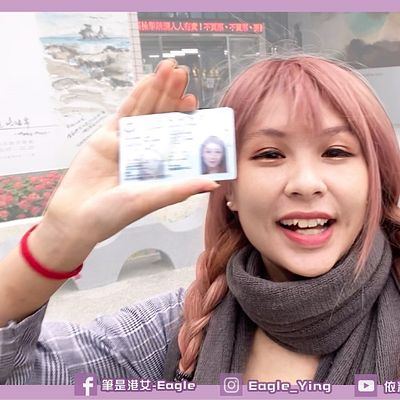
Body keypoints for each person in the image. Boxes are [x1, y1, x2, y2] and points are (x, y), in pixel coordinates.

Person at [0, 55, 399, 386]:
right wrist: (55, 241)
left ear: (375, 179)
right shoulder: (178, 328)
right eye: (269, 154)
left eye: (336, 151)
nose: (306, 184)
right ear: (229, 190)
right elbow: (23, 375)